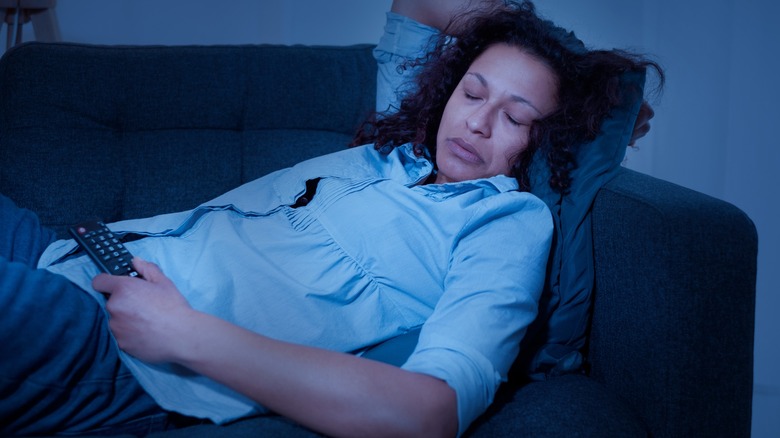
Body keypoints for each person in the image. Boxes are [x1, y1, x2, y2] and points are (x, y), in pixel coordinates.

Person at [0, 1, 661, 436]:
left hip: (116, 346)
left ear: (544, 140)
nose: (479, 122)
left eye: (516, 117)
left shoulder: (506, 225)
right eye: (474, 92)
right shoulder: (403, 144)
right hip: (70, 250)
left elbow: (430, 413)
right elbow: (422, 3)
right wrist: (533, 37)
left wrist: (184, 334)